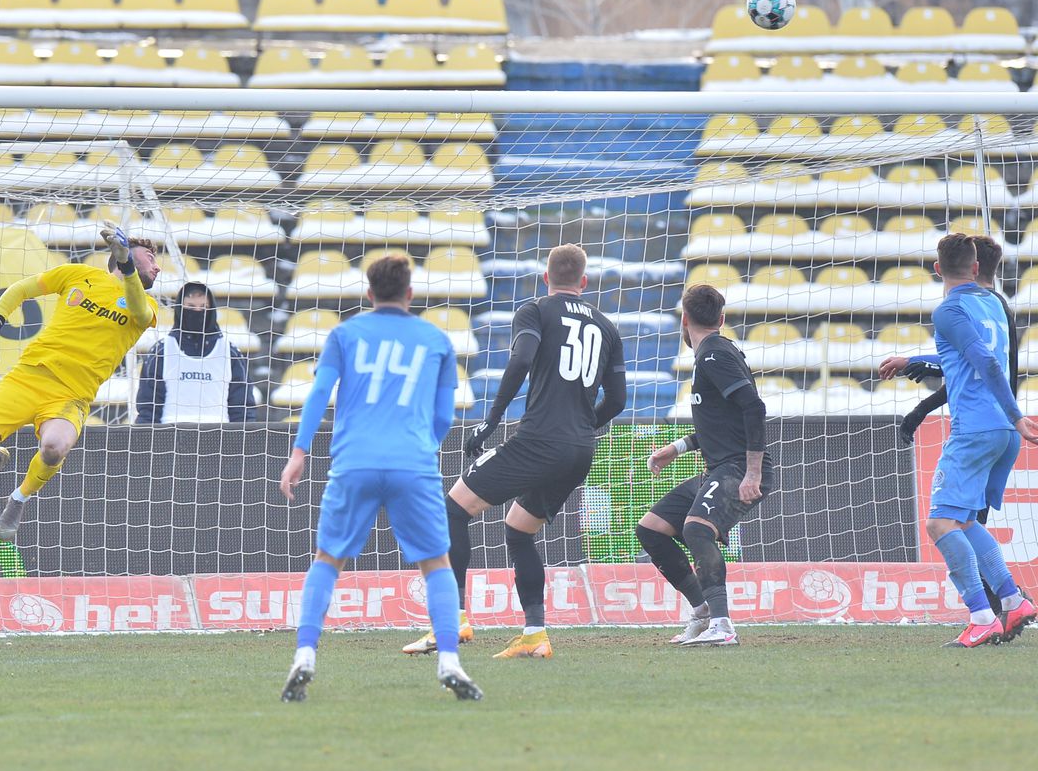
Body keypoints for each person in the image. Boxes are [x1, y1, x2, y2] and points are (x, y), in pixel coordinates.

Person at [403, 244, 626, 660]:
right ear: (584, 281)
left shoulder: (535, 310)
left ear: (546, 277)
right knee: (519, 530)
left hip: (539, 441)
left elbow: (522, 357)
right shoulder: (607, 327)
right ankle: (535, 634)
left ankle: (452, 621)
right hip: (580, 450)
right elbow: (617, 402)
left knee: (452, 510)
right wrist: (579, 427)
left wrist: (491, 420)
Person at [278, 254, 481, 702]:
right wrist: (422, 446)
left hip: (355, 462)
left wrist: (298, 453)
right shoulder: (436, 340)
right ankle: (449, 660)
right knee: (437, 565)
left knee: (327, 560)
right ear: (410, 293)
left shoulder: (345, 334)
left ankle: (305, 655)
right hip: (414, 463)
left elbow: (318, 394)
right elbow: (445, 415)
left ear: (368, 294)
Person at [0, 223, 160, 542]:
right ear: (125, 254)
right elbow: (21, 289)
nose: (157, 265)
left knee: (54, 447)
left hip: (70, 396)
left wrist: (128, 265)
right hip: (26, 378)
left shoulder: (147, 307)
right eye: (150, 257)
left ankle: (18, 499)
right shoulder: (77, 275)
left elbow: (138, 311)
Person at [878, 233, 1037, 647]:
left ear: (937, 269)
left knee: (938, 522)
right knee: (963, 521)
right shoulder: (994, 305)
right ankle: (1012, 600)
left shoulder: (948, 310)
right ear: (975, 269)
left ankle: (982, 616)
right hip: (1001, 432)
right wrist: (913, 360)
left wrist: (1018, 416)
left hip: (978, 429)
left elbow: (982, 360)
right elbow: (971, 356)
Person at [636, 283, 775, 647]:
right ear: (721, 319)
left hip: (737, 467)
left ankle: (723, 624)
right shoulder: (712, 355)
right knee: (651, 529)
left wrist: (753, 473)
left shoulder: (715, 356)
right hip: (719, 467)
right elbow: (721, 423)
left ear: (683, 320)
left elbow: (754, 409)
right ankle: (701, 611)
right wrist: (677, 448)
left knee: (697, 530)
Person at [135, 282, 257, 424]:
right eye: (191, 307)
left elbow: (242, 408)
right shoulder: (161, 351)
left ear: (211, 310)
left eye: (203, 307)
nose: (197, 312)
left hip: (219, 437)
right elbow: (148, 408)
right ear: (180, 309)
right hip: (170, 437)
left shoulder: (230, 352)